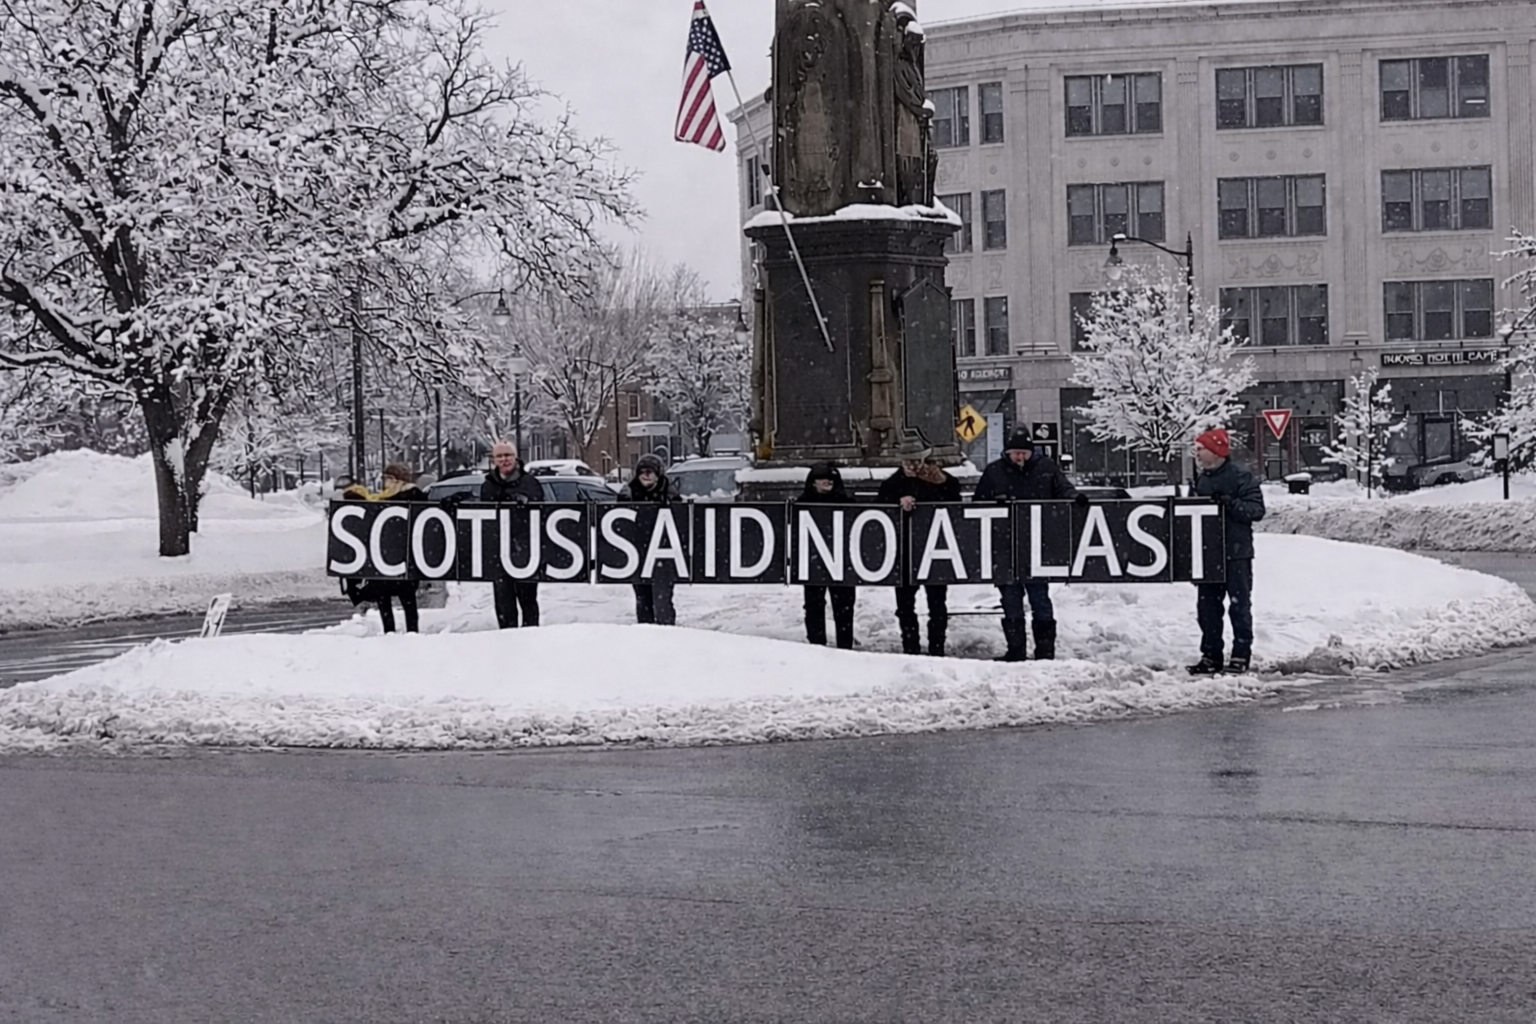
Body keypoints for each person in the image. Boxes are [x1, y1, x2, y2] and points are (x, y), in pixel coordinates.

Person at [972, 428, 1090, 661]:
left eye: (1023, 453)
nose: (1020, 458)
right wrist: (995, 506)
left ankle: (1045, 652)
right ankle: (1016, 651)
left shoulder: (1046, 468)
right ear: (1008, 453)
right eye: (1016, 453)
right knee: (1010, 601)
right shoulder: (994, 471)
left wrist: (1074, 497)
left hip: (1037, 547)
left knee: (1040, 599)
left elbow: (1063, 488)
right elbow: (979, 502)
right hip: (1005, 547)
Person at [1187, 428, 1266, 675]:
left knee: (1238, 606)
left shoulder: (1242, 477)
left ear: (1216, 451)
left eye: (1201, 449)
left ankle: (1241, 654)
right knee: (1207, 608)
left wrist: (1231, 504)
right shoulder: (1199, 480)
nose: (1197, 454)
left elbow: (1256, 510)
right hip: (1207, 555)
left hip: (1236, 554)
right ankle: (1211, 655)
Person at [877, 435, 961, 656]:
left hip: (935, 550)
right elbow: (879, 511)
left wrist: (939, 482)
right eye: (908, 462)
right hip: (905, 552)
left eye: (916, 461)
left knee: (937, 604)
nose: (913, 466)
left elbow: (955, 503)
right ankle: (911, 646)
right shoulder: (892, 485)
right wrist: (897, 504)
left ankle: (936, 647)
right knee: (905, 606)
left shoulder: (941, 480)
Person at [351, 462, 428, 634]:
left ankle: (407, 632)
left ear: (397, 480)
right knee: (390, 597)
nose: (384, 482)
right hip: (390, 556)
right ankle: (396, 631)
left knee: (403, 597)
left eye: (387, 478)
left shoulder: (412, 495)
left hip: (400, 555)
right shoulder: (385, 498)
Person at [479, 440, 544, 629]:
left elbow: (540, 507)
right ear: (494, 459)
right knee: (503, 601)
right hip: (498, 551)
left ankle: (531, 635)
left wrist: (526, 502)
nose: (504, 459)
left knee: (528, 598)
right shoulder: (488, 485)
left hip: (525, 550)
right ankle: (506, 637)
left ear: (515, 457)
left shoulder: (530, 482)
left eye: (507, 455)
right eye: (499, 456)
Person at [797, 461, 857, 649]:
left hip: (842, 562)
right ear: (812, 482)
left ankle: (845, 646)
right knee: (813, 605)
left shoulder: (848, 504)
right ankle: (816, 645)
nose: (827, 482)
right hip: (813, 562)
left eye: (831, 479)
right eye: (821, 478)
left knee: (844, 606)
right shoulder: (801, 505)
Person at [618, 453, 681, 625]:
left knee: (663, 599)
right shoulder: (628, 493)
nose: (646, 475)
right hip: (637, 554)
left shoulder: (670, 493)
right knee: (643, 597)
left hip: (665, 554)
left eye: (650, 471)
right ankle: (645, 631)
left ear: (658, 473)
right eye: (642, 471)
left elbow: (680, 520)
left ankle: (667, 632)